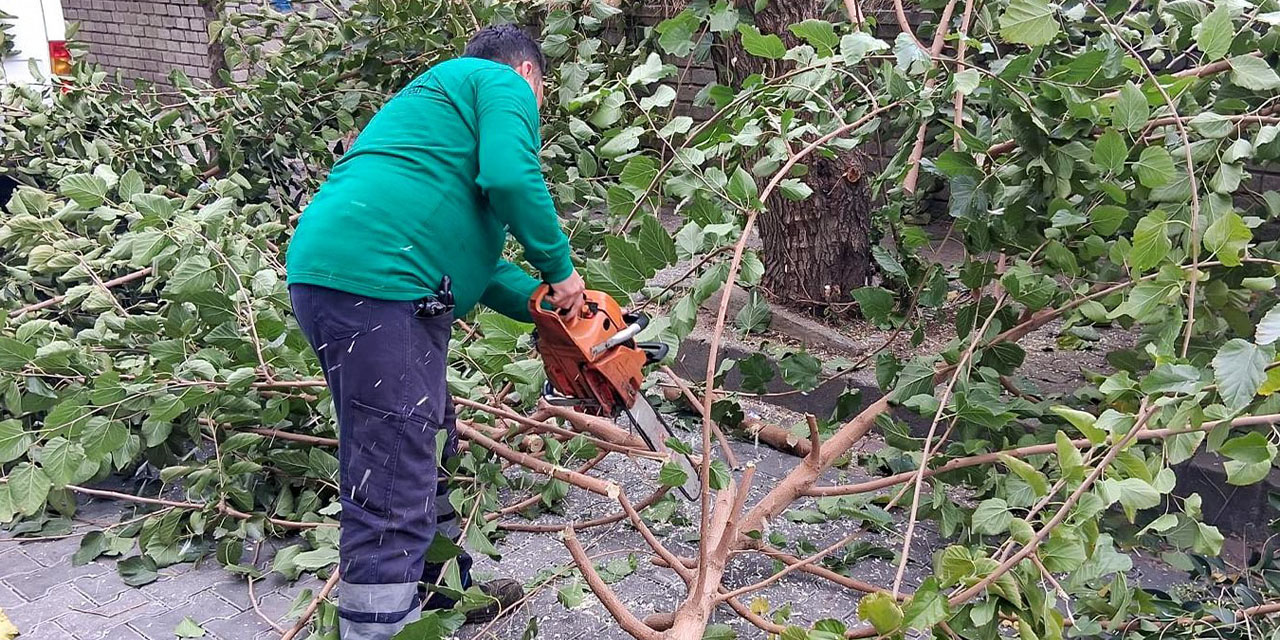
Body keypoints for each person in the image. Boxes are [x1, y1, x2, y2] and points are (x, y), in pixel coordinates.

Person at [285, 24, 586, 640]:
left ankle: (444, 595)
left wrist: (549, 309)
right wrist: (562, 272)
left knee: (424, 438)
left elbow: (482, 264)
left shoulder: (436, 125)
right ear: (530, 74)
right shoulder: (502, 81)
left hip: (344, 276)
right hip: (380, 284)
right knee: (391, 477)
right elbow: (510, 177)